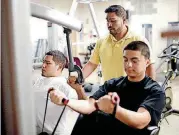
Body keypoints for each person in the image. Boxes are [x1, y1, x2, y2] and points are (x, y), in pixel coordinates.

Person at [49, 41, 165, 135]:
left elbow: (141, 121)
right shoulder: (113, 84)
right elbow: (89, 105)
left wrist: (114, 110)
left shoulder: (154, 91)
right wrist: (65, 101)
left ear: (147, 62)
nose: (128, 65)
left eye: (134, 61)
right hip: (108, 130)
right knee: (84, 119)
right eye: (125, 60)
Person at [82, 5, 155, 83]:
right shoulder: (101, 42)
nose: (109, 24)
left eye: (113, 21)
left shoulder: (138, 40)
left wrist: (149, 91)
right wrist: (79, 78)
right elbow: (92, 64)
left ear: (124, 20)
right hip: (109, 92)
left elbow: (149, 67)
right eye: (107, 21)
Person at [34, 50, 79, 135]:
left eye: (48, 63)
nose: (43, 66)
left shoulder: (66, 87)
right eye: (43, 62)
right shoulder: (38, 81)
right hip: (37, 130)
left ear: (59, 67)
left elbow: (75, 111)